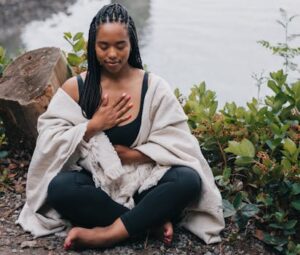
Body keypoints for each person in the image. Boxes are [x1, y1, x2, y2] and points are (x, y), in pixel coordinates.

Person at [17, 3, 224, 250]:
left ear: (132, 44)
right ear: (93, 45)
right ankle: (150, 224)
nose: (112, 54)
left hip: (145, 183)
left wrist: (135, 155)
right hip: (98, 184)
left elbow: (180, 143)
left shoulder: (154, 87)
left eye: (120, 45)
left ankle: (109, 234)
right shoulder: (77, 88)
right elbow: (49, 141)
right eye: (103, 46)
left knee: (188, 179)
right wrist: (93, 126)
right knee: (60, 189)